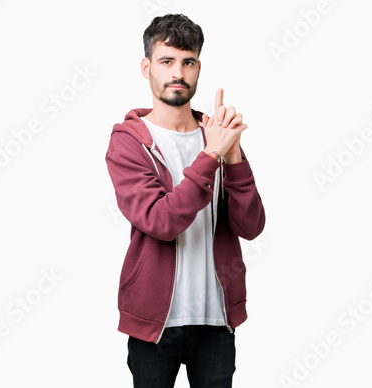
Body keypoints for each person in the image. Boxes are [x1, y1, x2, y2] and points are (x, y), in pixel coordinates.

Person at [105, 13, 265, 388]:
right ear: (147, 67)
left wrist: (234, 154)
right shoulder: (128, 141)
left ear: (198, 68)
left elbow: (251, 226)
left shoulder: (218, 135)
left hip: (216, 321)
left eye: (187, 62)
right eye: (166, 61)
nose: (178, 72)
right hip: (155, 325)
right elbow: (162, 222)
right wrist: (212, 156)